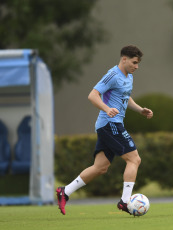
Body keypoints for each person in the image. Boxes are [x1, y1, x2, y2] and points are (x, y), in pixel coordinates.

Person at [56, 45, 153, 215]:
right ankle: (124, 202)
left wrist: (140, 110)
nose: (136, 66)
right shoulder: (112, 75)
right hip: (111, 124)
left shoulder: (128, 76)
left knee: (100, 167)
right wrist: (106, 108)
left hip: (108, 125)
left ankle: (65, 192)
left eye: (138, 63)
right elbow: (92, 95)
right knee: (134, 159)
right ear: (124, 59)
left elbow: (125, 97)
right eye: (134, 62)